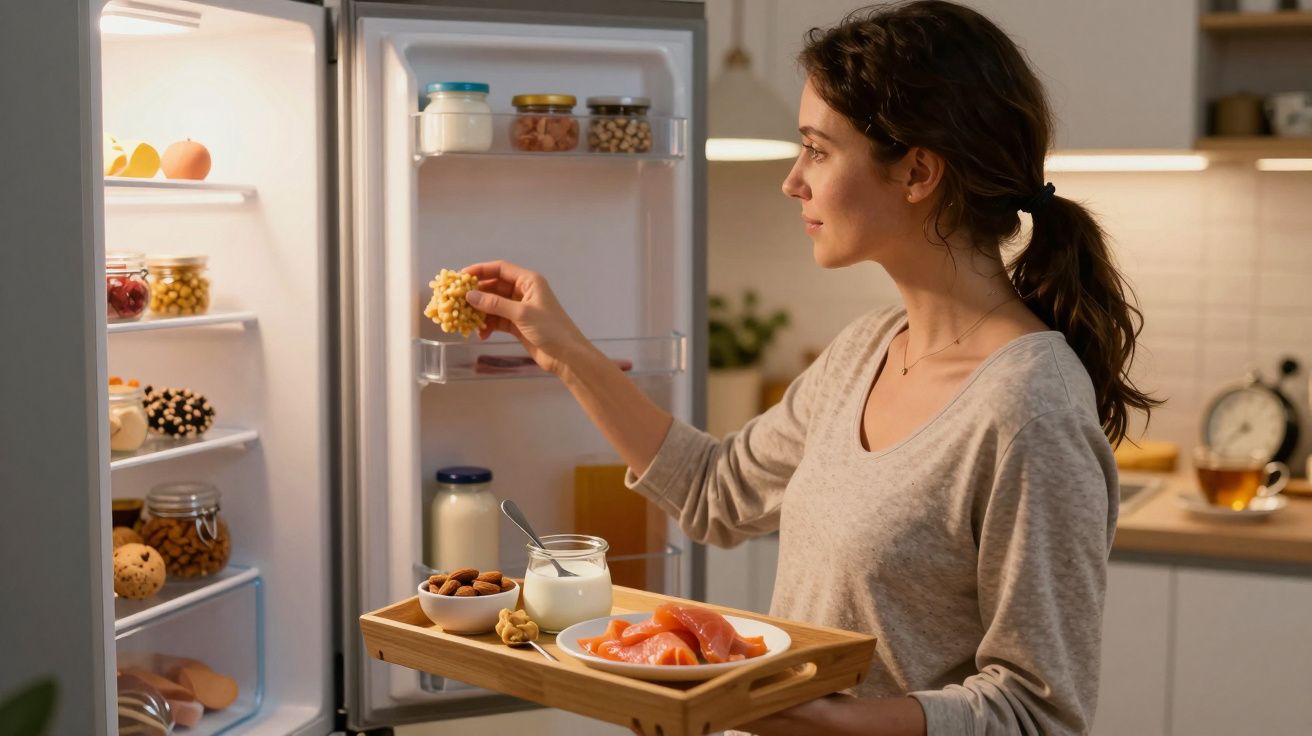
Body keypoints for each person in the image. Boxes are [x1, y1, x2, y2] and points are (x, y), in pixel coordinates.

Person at [462, 2, 1158, 733]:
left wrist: (810, 718)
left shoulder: (1030, 410)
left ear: (917, 171)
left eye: (817, 151)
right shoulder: (866, 350)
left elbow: (1037, 713)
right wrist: (563, 350)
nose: (793, 180)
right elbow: (715, 491)